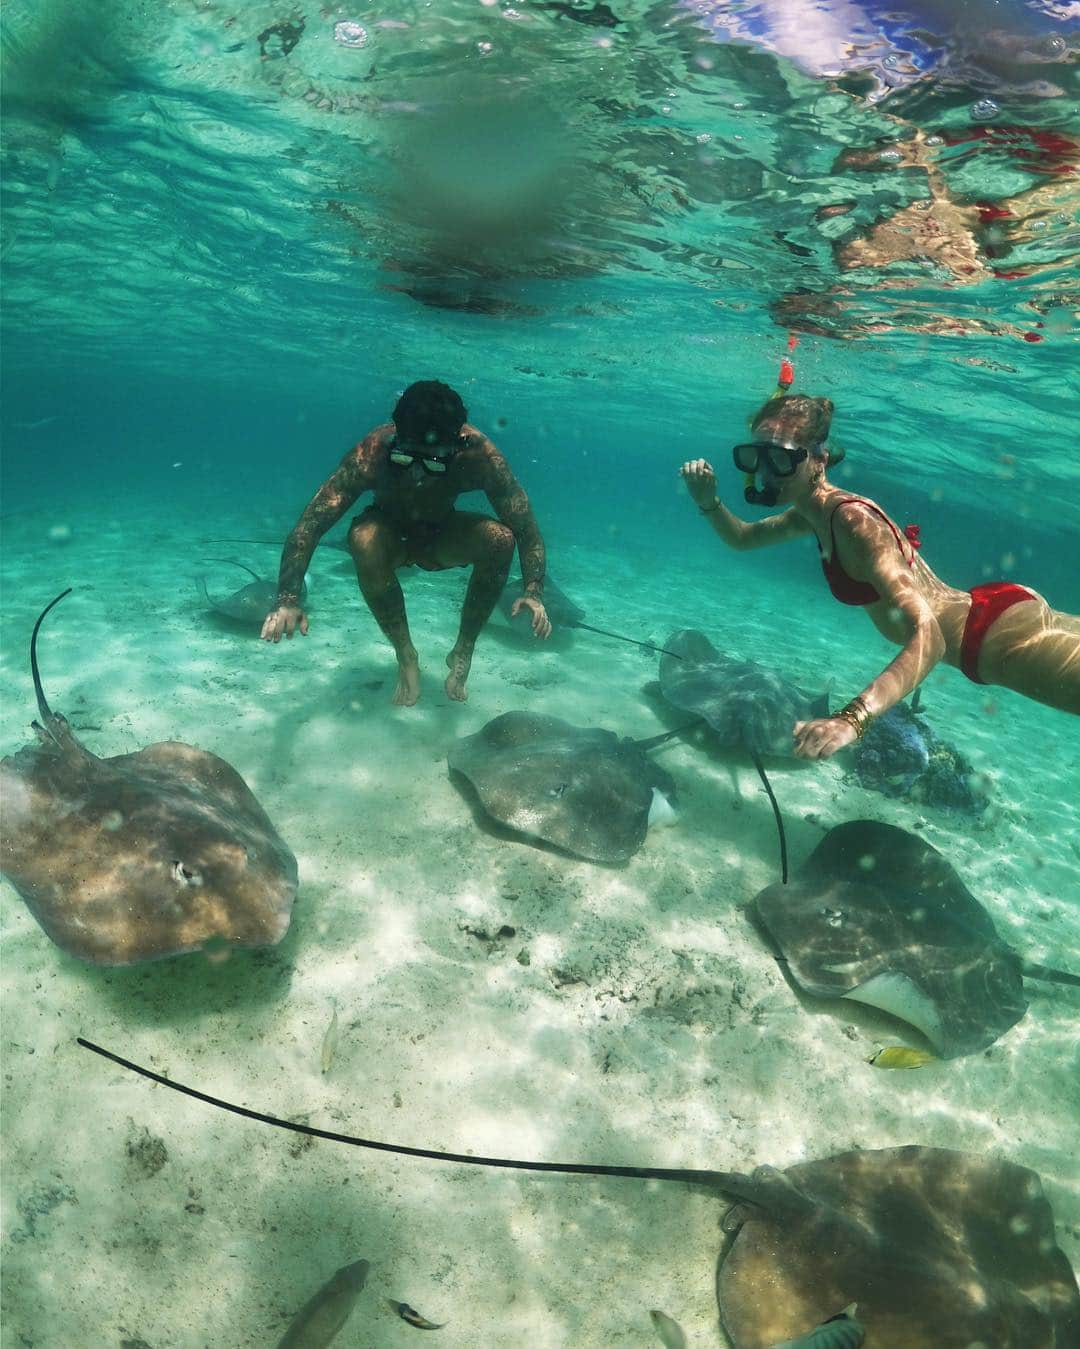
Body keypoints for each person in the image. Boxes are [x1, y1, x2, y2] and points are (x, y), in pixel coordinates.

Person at [680, 393, 1080, 758]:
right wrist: (708, 501)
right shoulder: (811, 513)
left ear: (818, 458)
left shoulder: (851, 519)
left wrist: (852, 719)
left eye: (781, 458)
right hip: (991, 618)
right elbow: (743, 538)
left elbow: (932, 635)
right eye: (755, 457)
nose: (766, 472)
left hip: (995, 642)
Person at [261, 381, 551, 706]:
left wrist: (533, 593)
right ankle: (405, 654)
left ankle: (463, 650)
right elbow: (310, 525)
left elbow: (525, 528)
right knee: (363, 538)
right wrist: (287, 597)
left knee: (501, 539)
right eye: (405, 458)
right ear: (394, 431)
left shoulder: (481, 456)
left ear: (459, 443)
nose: (417, 474)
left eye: (434, 463)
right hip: (388, 535)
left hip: (442, 534)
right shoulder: (371, 452)